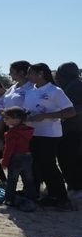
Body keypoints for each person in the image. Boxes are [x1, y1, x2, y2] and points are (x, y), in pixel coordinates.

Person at [23, 63, 75, 209]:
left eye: (31, 73)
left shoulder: (55, 91)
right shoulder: (30, 91)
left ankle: (62, 198)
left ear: (40, 74)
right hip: (32, 133)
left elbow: (70, 112)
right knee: (36, 165)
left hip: (49, 134)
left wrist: (46, 116)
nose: (28, 76)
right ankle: (44, 194)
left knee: (49, 165)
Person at [54, 62, 82, 197]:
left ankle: (76, 187)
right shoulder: (74, 85)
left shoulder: (74, 86)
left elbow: (75, 109)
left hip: (73, 129)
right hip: (73, 128)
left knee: (69, 159)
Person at [1, 106, 37, 207]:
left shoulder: (11, 133)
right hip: (27, 156)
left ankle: (8, 199)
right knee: (28, 179)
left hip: (16, 158)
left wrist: (4, 161)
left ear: (16, 120)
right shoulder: (27, 130)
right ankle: (32, 197)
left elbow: (9, 149)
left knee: (12, 180)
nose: (4, 120)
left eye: (7, 118)